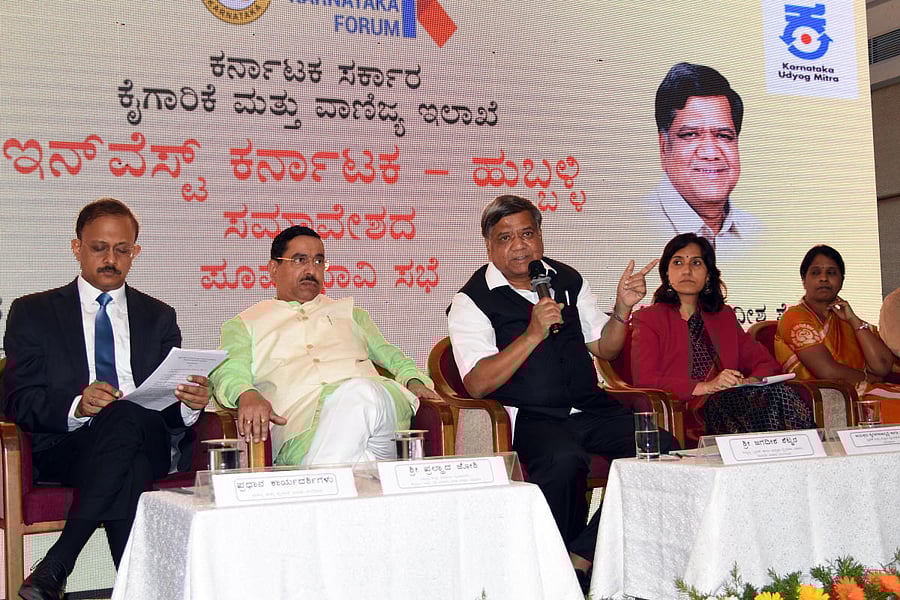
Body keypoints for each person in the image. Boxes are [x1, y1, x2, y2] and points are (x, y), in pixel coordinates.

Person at [447, 194, 675, 590]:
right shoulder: (471, 300)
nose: (519, 246)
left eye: (527, 233)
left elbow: (606, 347)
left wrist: (622, 309)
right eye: (505, 238)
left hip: (589, 407)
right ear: (488, 245)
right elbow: (478, 382)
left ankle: (582, 554)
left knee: (664, 451)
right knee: (565, 461)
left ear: (540, 235)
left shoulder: (567, 279)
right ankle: (550, 574)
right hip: (533, 416)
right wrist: (532, 333)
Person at [2, 198, 210, 600]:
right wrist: (78, 406)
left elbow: (168, 409)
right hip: (67, 447)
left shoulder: (159, 316)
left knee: (126, 416)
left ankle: (58, 563)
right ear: (77, 248)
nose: (111, 258)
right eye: (99, 247)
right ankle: (138, 589)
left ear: (136, 251)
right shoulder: (33, 312)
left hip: (148, 439)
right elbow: (18, 400)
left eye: (122, 249)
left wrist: (190, 403)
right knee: (125, 456)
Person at [210, 225, 439, 466]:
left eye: (319, 261)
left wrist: (413, 380)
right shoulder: (245, 323)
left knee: (360, 393)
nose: (312, 270)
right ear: (273, 268)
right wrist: (246, 393)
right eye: (300, 260)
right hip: (302, 433)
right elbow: (228, 372)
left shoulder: (351, 314)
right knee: (359, 468)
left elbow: (393, 358)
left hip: (379, 417)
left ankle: (317, 483)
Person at [631, 233, 815, 438]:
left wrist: (749, 381)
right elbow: (645, 379)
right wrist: (707, 386)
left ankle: (798, 457)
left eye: (697, 263)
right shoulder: (649, 318)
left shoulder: (723, 317)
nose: (687, 270)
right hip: (689, 405)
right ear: (666, 274)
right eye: (678, 262)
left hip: (735, 400)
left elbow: (766, 363)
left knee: (779, 392)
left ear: (708, 275)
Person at [642, 62, 762, 261]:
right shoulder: (635, 222)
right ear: (664, 147)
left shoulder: (757, 232)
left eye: (724, 136)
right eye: (690, 135)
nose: (710, 153)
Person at [775, 245, 900, 422]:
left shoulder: (844, 319)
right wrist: (867, 378)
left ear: (842, 280)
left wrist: (854, 320)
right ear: (804, 280)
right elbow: (828, 372)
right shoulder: (794, 316)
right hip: (822, 400)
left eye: (832, 273)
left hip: (862, 394)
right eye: (816, 273)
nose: (824, 278)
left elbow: (882, 366)